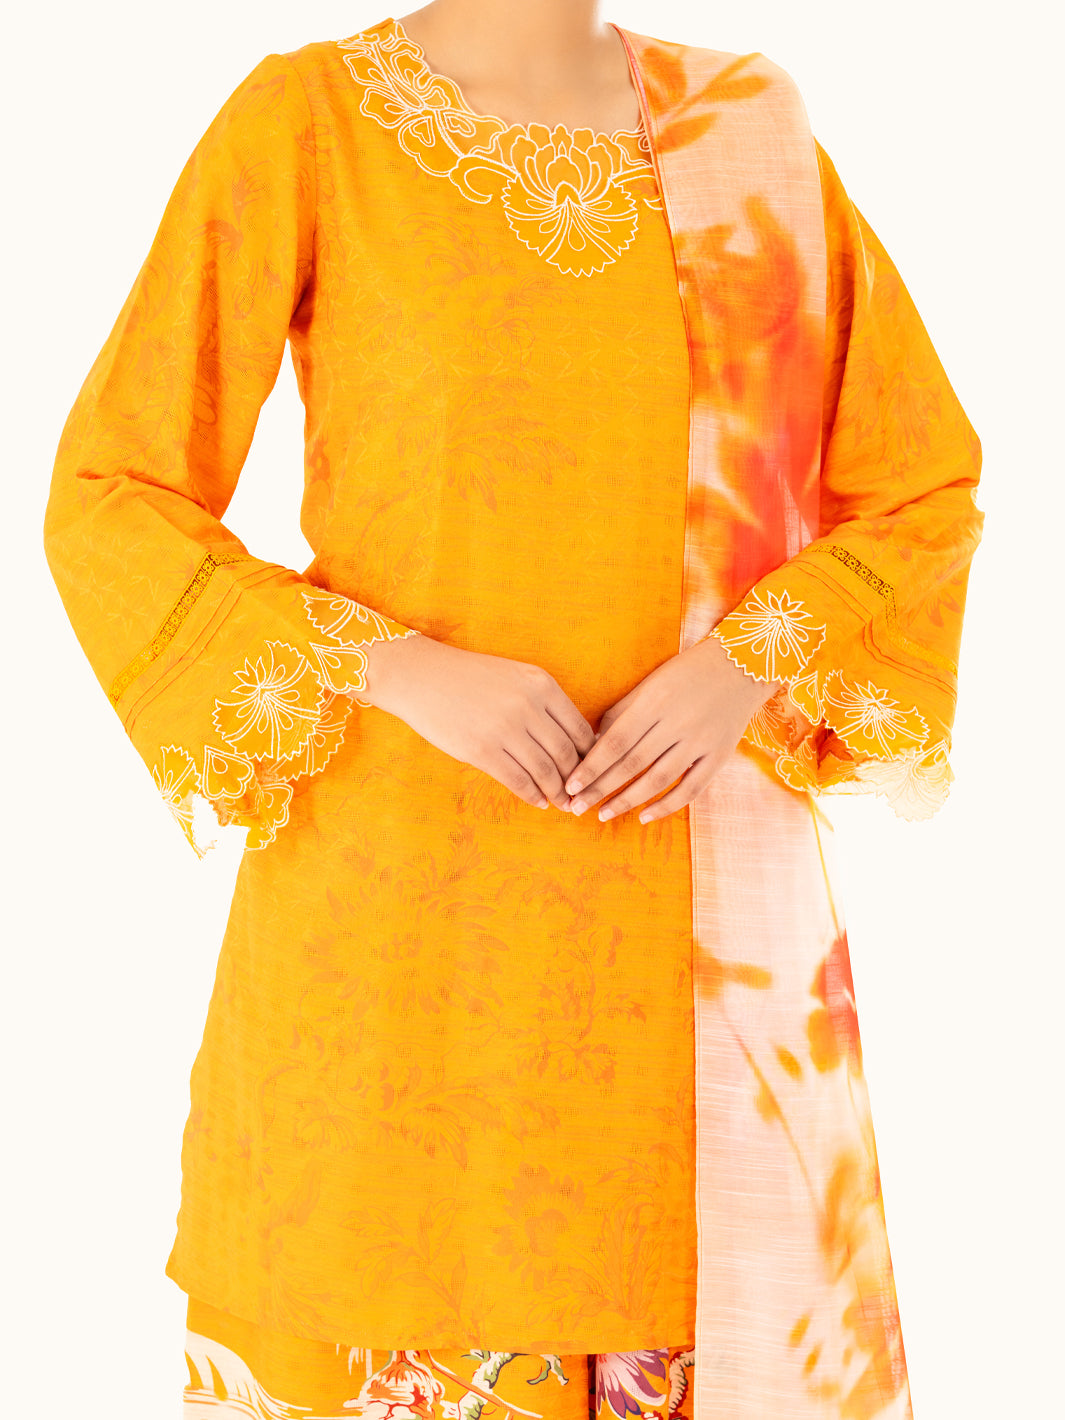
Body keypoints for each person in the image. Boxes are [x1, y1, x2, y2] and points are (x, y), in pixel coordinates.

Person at [42, 2, 984, 1417]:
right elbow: (112, 497)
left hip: (679, 971)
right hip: (390, 944)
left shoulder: (743, 136)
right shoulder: (309, 123)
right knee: (358, 1298)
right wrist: (391, 664)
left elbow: (920, 492)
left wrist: (747, 660)